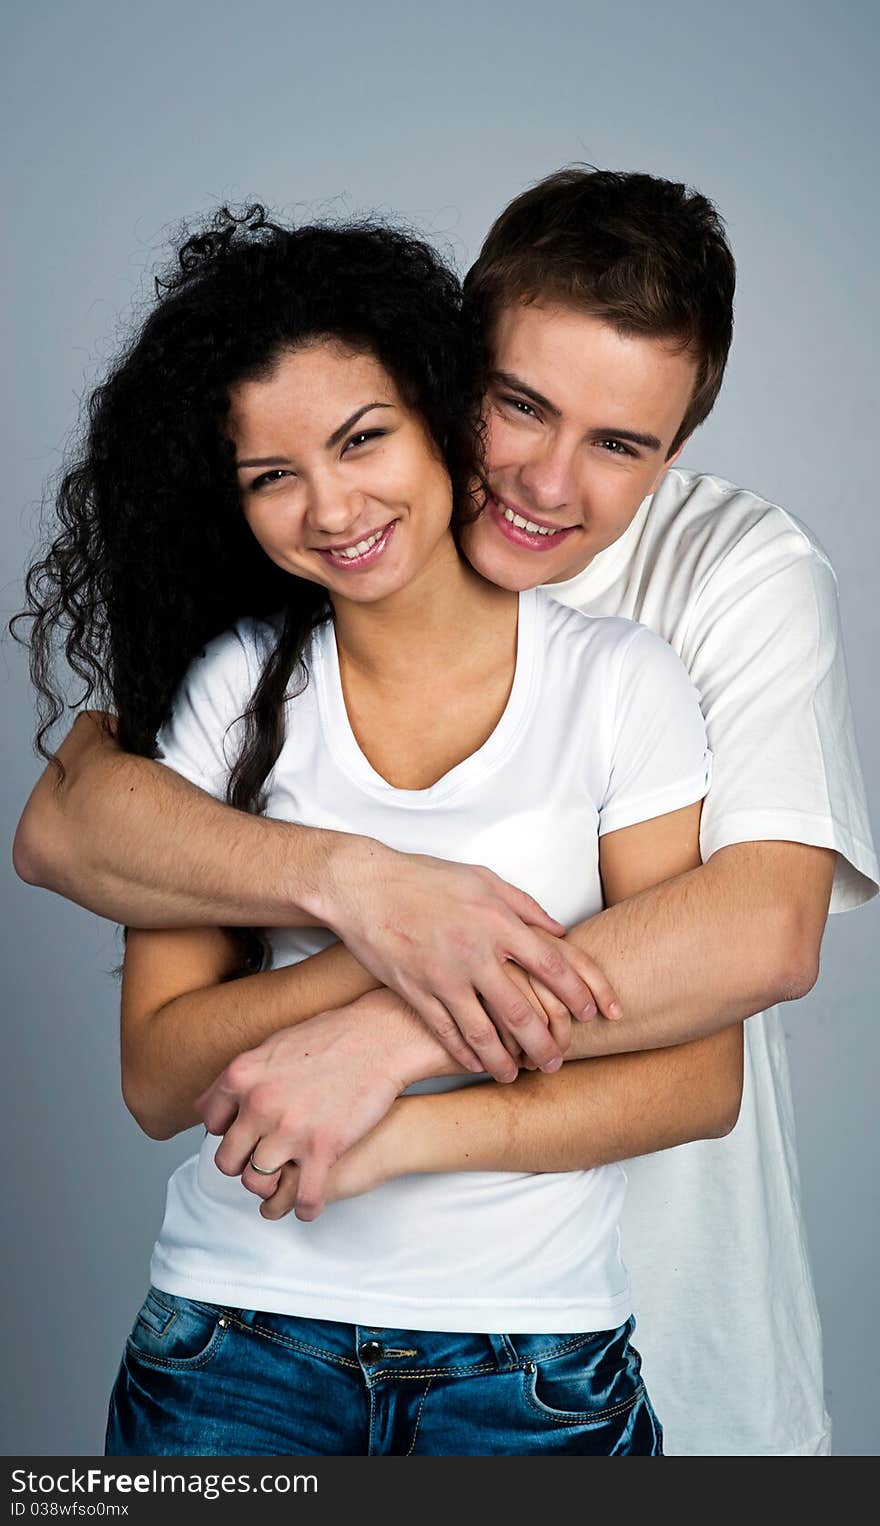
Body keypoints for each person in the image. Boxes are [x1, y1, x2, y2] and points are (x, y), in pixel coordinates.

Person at [13, 170, 877, 1456]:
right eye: (519, 404)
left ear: (672, 452)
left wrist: (389, 1034)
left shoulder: (726, 580)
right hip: (252, 1327)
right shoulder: (297, 577)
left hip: (633, 1314)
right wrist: (369, 891)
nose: (542, 478)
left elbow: (760, 936)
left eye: (619, 443)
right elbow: (69, 822)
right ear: (450, 358)